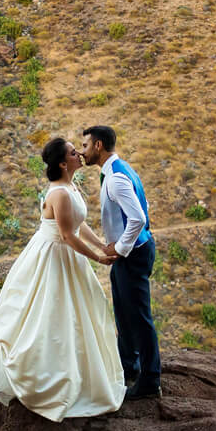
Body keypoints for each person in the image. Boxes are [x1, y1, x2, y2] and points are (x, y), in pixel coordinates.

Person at [0, 137, 127, 422]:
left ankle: (76, 373)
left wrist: (102, 245)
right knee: (51, 316)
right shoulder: (58, 193)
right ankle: (48, 379)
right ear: (61, 163)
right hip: (54, 255)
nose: (79, 154)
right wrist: (97, 258)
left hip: (68, 254)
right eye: (72, 152)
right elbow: (68, 235)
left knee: (76, 316)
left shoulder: (71, 186)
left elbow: (80, 225)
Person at [83, 124, 161, 400]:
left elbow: (138, 216)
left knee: (139, 317)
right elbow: (145, 205)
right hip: (131, 252)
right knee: (125, 313)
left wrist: (121, 246)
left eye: (85, 146)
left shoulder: (115, 178)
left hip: (133, 254)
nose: (83, 152)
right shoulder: (121, 169)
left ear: (98, 146)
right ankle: (128, 365)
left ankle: (150, 381)